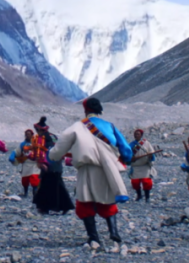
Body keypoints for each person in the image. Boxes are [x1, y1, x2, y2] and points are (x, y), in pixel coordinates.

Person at [47, 98, 132, 247]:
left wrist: (52, 156)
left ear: (85, 110)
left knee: (85, 201)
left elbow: (59, 148)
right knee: (107, 199)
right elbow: (125, 149)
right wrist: (127, 159)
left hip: (87, 169)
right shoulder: (110, 126)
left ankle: (93, 238)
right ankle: (114, 232)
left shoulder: (77, 127)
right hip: (108, 169)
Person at [31, 117, 74, 215]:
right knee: (58, 185)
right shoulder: (54, 136)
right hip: (57, 164)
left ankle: (45, 207)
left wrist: (41, 163)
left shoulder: (40, 138)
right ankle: (64, 206)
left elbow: (40, 152)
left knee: (47, 186)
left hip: (48, 164)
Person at [128, 129, 157, 203]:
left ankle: (147, 197)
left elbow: (151, 153)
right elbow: (127, 154)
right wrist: (130, 158)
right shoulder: (131, 145)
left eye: (138, 134)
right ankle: (139, 195)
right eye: (135, 134)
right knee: (135, 182)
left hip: (145, 166)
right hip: (135, 167)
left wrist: (150, 156)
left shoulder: (146, 143)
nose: (136, 135)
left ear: (141, 135)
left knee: (146, 182)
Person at [10, 129, 40, 198]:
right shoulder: (22, 144)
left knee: (35, 178)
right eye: (26, 134)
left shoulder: (37, 144)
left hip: (34, 164)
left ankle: (35, 193)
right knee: (25, 180)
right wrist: (13, 155)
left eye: (28, 134)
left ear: (32, 135)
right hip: (26, 163)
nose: (27, 136)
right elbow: (17, 151)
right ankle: (25, 192)